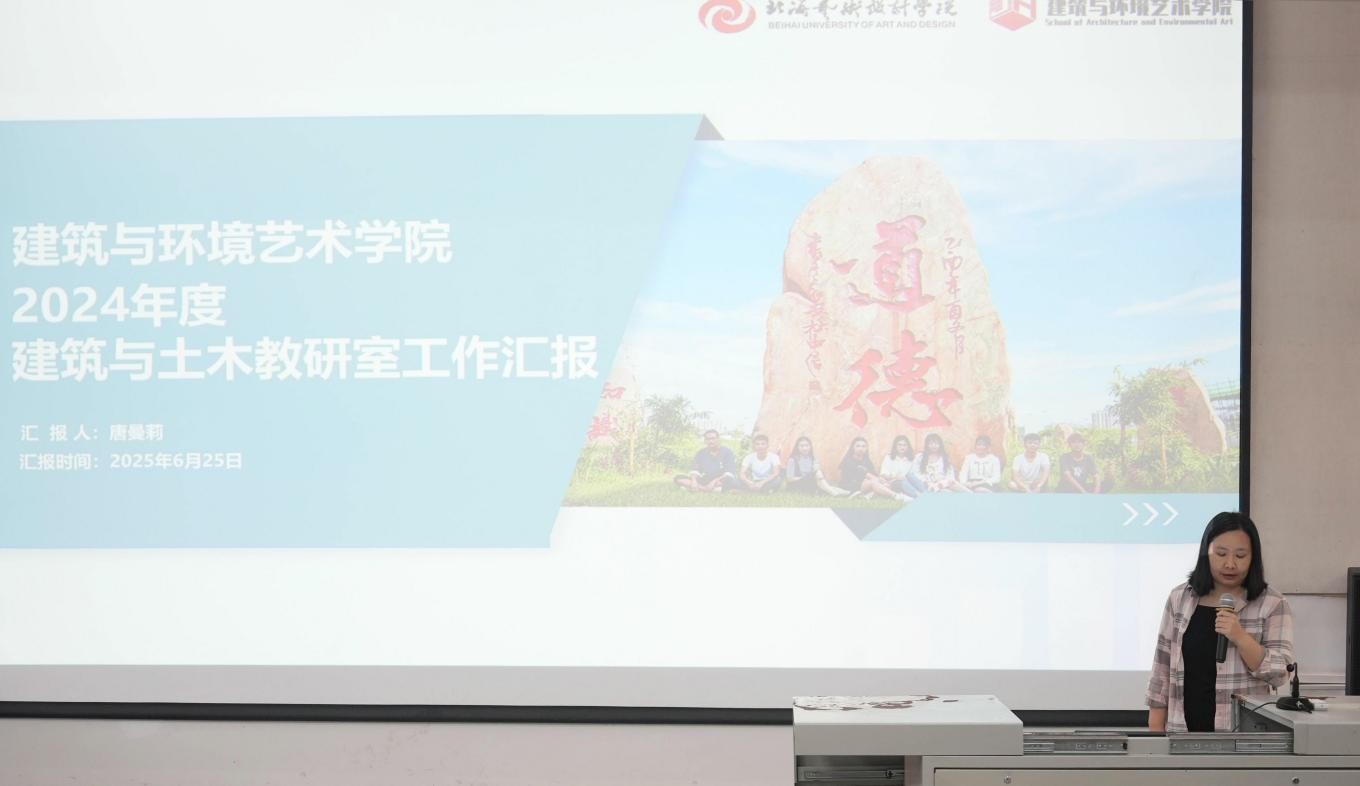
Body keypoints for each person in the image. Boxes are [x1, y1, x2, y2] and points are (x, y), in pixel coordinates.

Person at [1146, 512, 1294, 733]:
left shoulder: (1272, 603)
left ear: (1253, 557)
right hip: (1183, 736)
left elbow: (1280, 674)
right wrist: (1155, 731)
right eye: (1221, 553)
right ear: (1206, 552)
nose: (1230, 564)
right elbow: (1162, 669)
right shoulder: (1180, 599)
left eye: (1240, 555)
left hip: (1242, 739)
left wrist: (1240, 637)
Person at [838, 437, 910, 502]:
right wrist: (881, 482)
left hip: (864, 484)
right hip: (850, 486)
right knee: (874, 483)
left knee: (883, 484)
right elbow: (868, 475)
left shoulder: (866, 460)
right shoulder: (849, 461)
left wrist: (883, 480)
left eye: (863, 446)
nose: (861, 448)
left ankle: (870, 494)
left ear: (866, 448)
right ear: (852, 448)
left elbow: (874, 474)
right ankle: (897, 496)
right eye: (858, 446)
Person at [674, 429, 739, 493]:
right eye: (707, 439)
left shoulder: (727, 452)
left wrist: (714, 481)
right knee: (678, 478)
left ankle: (696, 488)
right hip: (706, 479)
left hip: (720, 479)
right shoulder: (701, 453)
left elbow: (729, 473)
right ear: (705, 441)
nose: (710, 441)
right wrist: (694, 481)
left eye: (713, 438)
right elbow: (695, 470)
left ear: (718, 439)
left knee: (730, 481)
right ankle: (706, 489)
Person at [784, 436, 849, 496]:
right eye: (801, 446)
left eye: (807, 445)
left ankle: (848, 493)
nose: (804, 448)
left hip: (810, 483)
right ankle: (834, 494)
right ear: (797, 447)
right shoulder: (792, 460)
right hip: (797, 484)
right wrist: (806, 478)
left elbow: (817, 473)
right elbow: (789, 479)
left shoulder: (813, 458)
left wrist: (813, 477)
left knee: (825, 486)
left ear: (810, 447)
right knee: (822, 484)